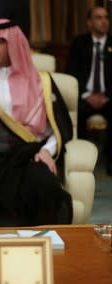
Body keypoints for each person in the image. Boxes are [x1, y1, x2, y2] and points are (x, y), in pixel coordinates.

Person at [0, 19, 73, 226]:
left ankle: (46, 244)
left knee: (43, 183)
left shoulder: (41, 82)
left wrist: (47, 150)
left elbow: (57, 127)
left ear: (15, 44)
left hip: (29, 156)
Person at [67, 6, 112, 174]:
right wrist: (87, 96)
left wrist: (106, 97)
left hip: (108, 99)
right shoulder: (79, 43)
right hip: (84, 98)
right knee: (72, 113)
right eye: (99, 17)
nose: (104, 21)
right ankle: (81, 161)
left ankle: (110, 161)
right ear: (89, 23)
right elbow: (72, 74)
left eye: (106, 17)